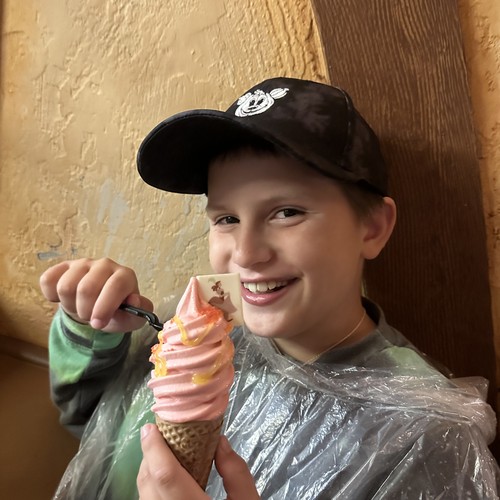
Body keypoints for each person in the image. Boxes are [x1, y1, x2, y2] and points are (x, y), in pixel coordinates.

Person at [40, 77, 500, 499]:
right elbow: (94, 430)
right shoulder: (193, 344)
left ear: (373, 227)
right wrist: (89, 330)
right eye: (226, 218)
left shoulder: (423, 438)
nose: (246, 253)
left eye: (287, 212)